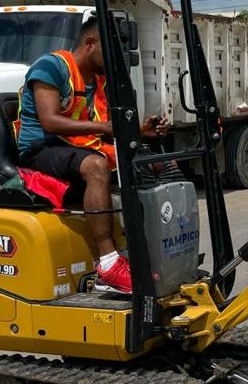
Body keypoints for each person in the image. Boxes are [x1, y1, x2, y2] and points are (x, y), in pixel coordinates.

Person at [17, 17, 169, 294]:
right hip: (41, 148)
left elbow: (108, 128)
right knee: (96, 166)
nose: (115, 61)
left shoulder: (97, 81)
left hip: (76, 145)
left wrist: (141, 131)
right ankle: (108, 265)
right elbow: (50, 121)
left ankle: (148, 252)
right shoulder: (51, 67)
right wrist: (105, 128)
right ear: (90, 44)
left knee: (151, 163)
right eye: (110, 52)